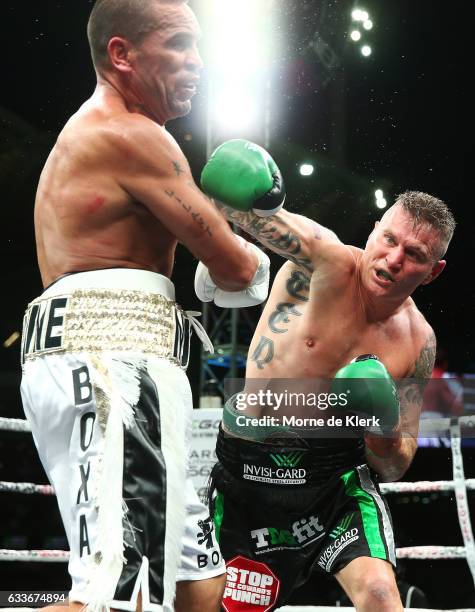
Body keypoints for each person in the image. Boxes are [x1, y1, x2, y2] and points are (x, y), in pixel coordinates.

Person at [20, 4, 274, 612]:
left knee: (196, 585)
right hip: (112, 368)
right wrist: (249, 237)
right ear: (122, 55)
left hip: (128, 365)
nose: (199, 62)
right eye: (181, 45)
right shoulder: (134, 136)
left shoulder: (109, 134)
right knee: (121, 593)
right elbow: (239, 270)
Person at [196, 139, 456, 611]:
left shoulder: (419, 342)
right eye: (390, 239)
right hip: (249, 473)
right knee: (211, 606)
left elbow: (397, 464)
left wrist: (380, 426)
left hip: (335, 483)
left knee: (380, 594)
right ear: (374, 231)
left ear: (433, 271)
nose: (394, 259)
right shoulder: (323, 261)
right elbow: (228, 201)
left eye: (414, 254)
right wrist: (243, 187)